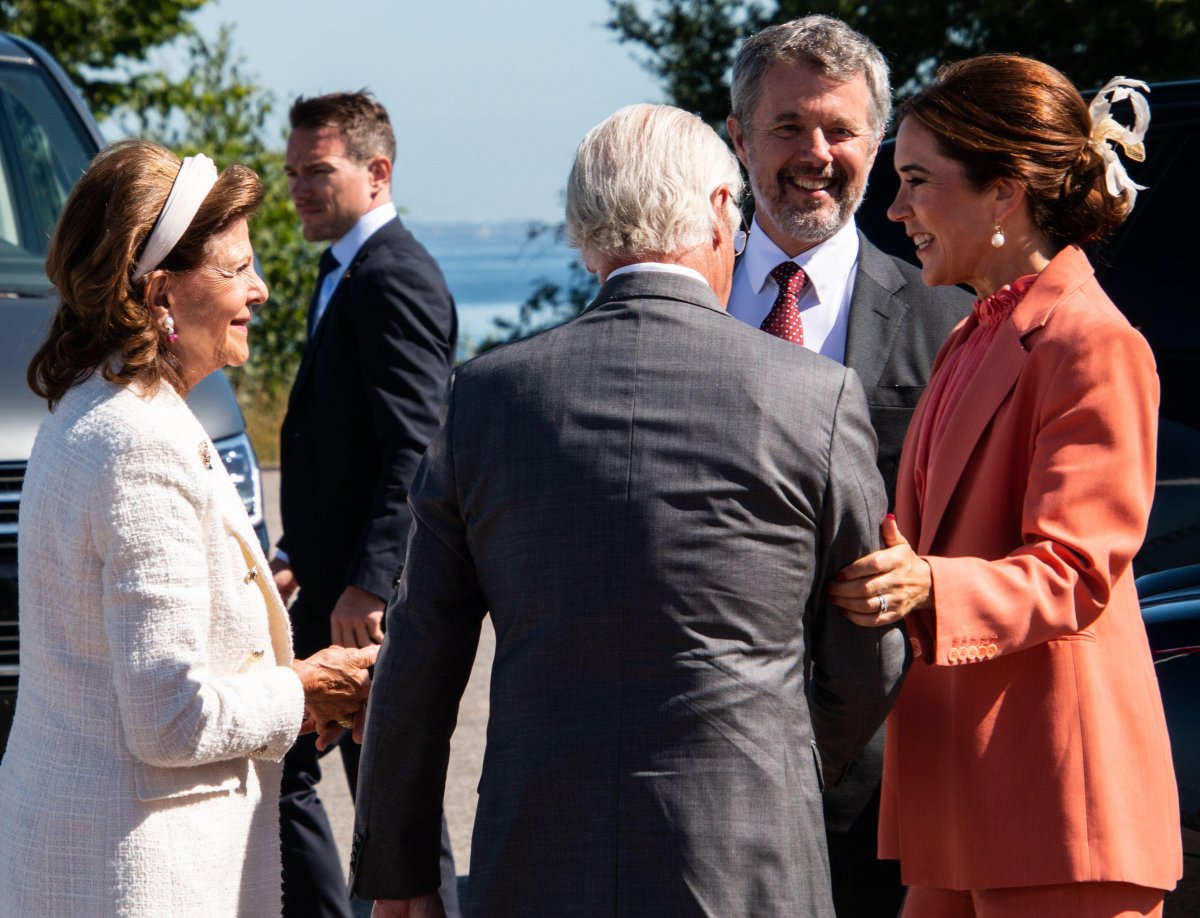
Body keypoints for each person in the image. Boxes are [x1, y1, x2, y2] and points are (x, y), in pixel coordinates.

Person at [349, 103, 909, 918]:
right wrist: (780, 766)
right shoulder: (813, 395)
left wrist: (398, 874)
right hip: (747, 857)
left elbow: (420, 652)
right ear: (723, 211)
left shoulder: (488, 399)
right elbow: (869, 648)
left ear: (584, 233)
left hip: (537, 851)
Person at [828, 56, 1182, 916]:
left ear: (1004, 193)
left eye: (916, 181)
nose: (896, 209)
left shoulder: (1093, 342)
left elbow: (1076, 570)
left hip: (1059, 805)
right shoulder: (970, 338)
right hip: (964, 799)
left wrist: (925, 583)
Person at [0, 140, 378, 917]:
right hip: (142, 877)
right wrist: (305, 687)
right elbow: (169, 716)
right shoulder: (139, 442)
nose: (262, 290)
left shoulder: (103, 408)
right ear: (159, 292)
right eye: (237, 269)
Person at [724, 17, 971, 914]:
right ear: (738, 137)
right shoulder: (680, 304)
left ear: (879, 142)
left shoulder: (949, 321)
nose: (816, 154)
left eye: (842, 130)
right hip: (702, 768)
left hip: (886, 776)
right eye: (789, 127)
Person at [272, 91, 459, 917]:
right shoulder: (343, 267)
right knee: (296, 770)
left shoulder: (395, 276)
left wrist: (372, 585)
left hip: (364, 598)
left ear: (377, 172)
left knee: (392, 806)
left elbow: (417, 446)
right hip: (328, 580)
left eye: (318, 172)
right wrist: (290, 553)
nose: (299, 190)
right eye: (293, 173)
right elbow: (336, 448)